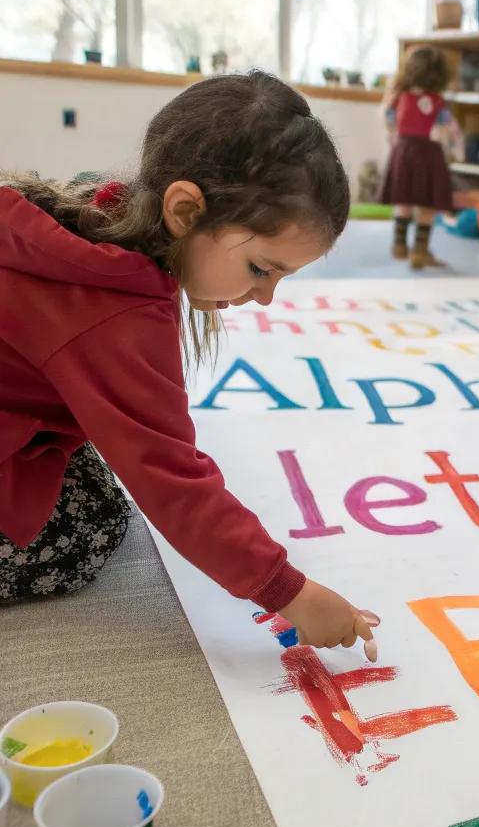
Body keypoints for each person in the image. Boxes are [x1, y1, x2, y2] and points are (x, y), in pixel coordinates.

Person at [0, 71, 376, 653]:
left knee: (86, 485)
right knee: (88, 530)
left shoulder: (101, 211)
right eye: (261, 268)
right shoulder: (117, 312)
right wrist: (289, 591)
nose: (265, 297)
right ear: (183, 210)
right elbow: (172, 481)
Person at [380, 45, 458, 269]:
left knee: (404, 199)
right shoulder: (437, 102)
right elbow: (447, 126)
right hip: (429, 153)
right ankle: (420, 250)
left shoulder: (400, 97)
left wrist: (393, 136)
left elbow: (388, 118)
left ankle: (399, 244)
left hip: (404, 150)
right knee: (427, 204)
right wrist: (454, 148)